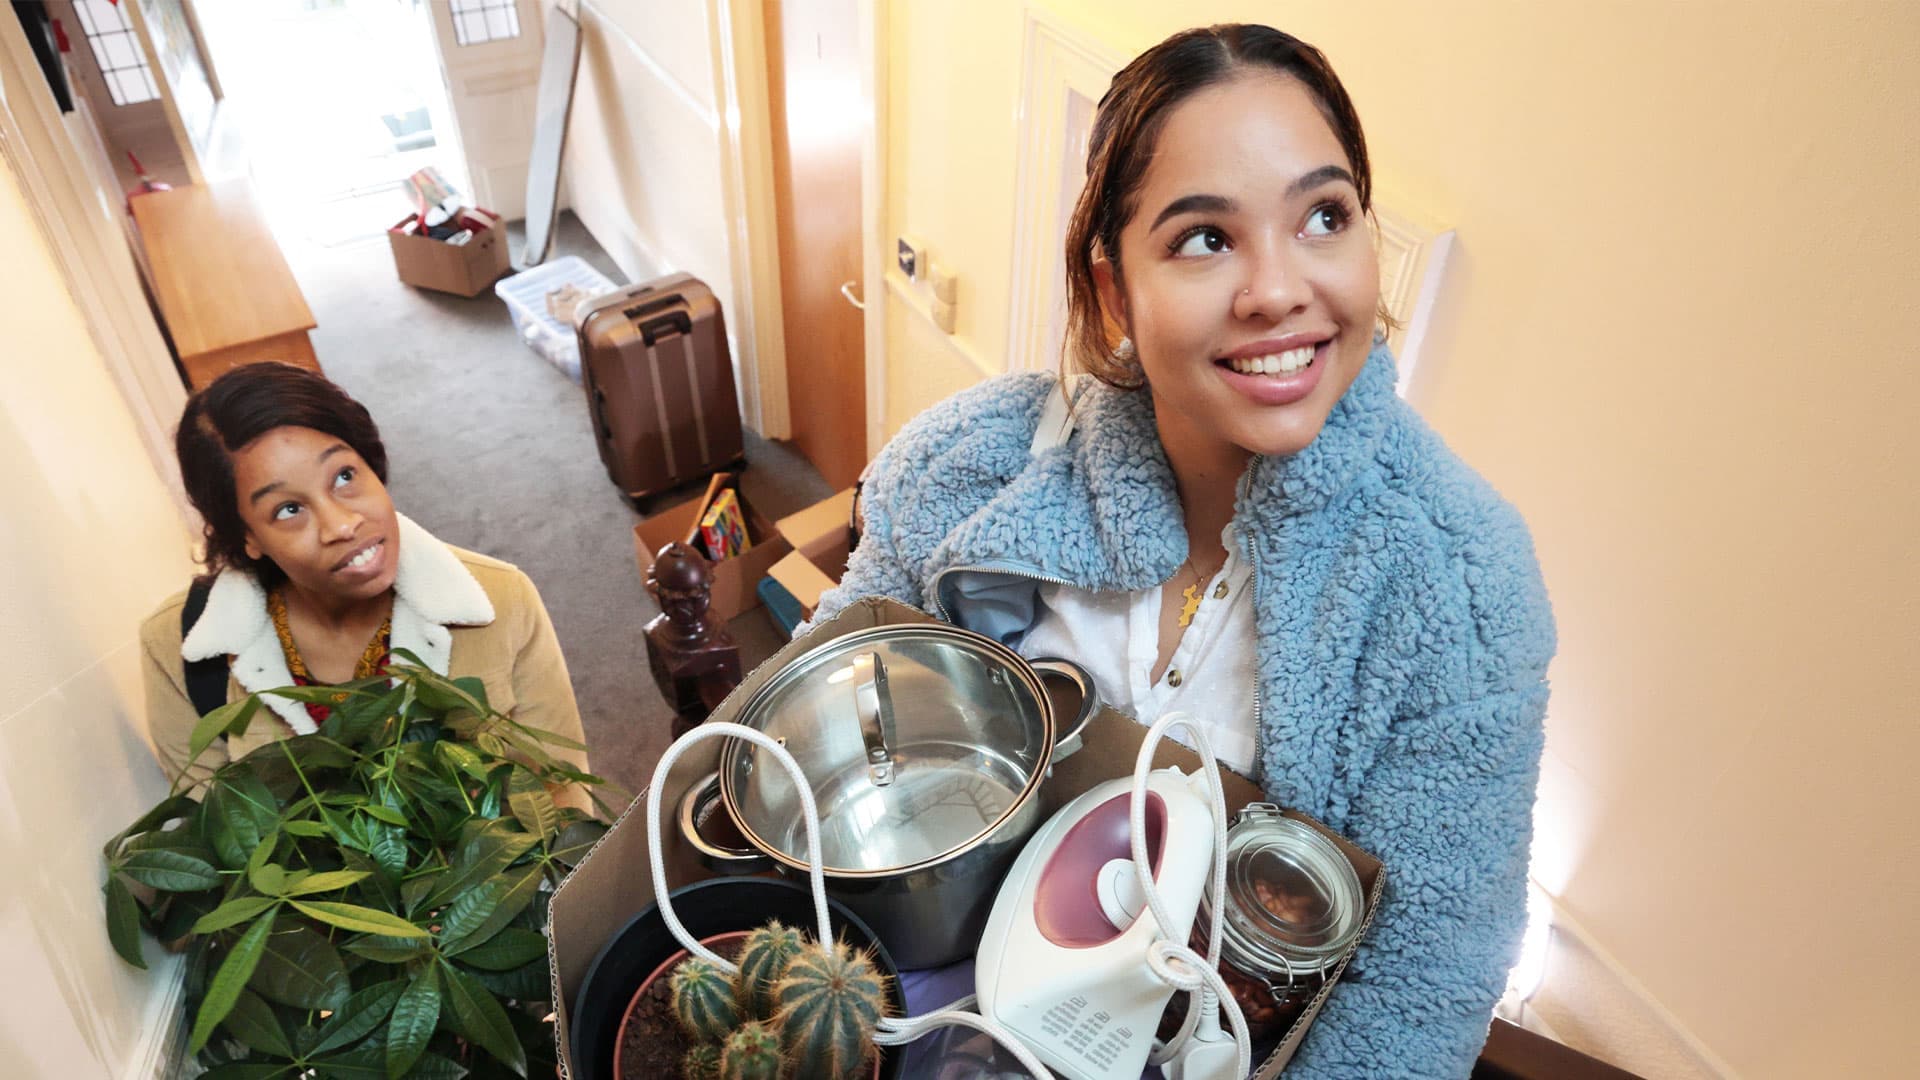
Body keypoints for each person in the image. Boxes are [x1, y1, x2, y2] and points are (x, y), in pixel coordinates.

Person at [808, 24, 1555, 1078]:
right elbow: (822, 733)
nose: (1277, 290)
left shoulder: (1462, 591)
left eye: (1324, 217)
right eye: (1206, 237)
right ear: (1116, 291)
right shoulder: (965, 470)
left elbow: (1416, 998)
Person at [139, 362, 590, 805]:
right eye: (289, 510)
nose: (341, 525)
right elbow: (211, 825)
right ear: (247, 537)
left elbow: (563, 793)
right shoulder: (177, 648)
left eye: (344, 476)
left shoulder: (502, 599)